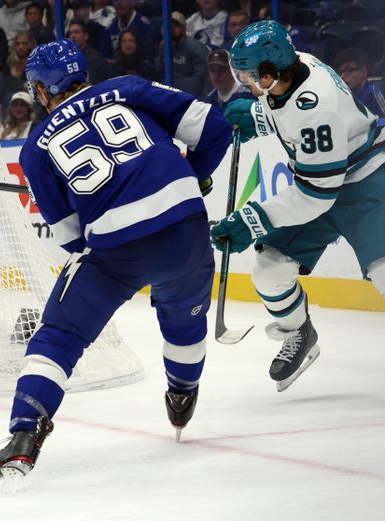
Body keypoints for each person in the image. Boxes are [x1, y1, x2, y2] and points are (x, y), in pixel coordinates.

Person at [0, 38, 231, 486]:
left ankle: (23, 437)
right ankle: (183, 393)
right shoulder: (128, 87)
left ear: (40, 88)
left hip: (117, 251)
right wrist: (197, 174)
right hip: (185, 227)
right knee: (185, 321)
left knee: (59, 337)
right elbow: (214, 127)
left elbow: (70, 237)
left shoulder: (36, 147)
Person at [214, 21, 385, 392]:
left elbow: (316, 195)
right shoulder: (296, 64)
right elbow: (283, 108)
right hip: (324, 183)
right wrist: (259, 117)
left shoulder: (314, 109)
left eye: (248, 74)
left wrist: (253, 219)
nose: (243, 81)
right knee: (269, 269)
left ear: (270, 71)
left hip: (367, 183)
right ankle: (300, 334)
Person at [160, 11, 208, 97]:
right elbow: (159, 77)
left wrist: (172, 84)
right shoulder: (164, 48)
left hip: (194, 97)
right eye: (167, 25)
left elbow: (201, 80)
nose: (171, 28)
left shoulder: (195, 46)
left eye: (176, 25)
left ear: (184, 29)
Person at [334, 48, 385, 118]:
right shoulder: (344, 95)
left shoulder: (373, 92)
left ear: (363, 72)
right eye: (341, 72)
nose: (342, 76)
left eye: (348, 70)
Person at [67, 20, 110, 84]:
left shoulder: (93, 57)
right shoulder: (68, 58)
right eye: (71, 33)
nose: (73, 36)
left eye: (76, 32)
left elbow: (91, 83)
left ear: (86, 36)